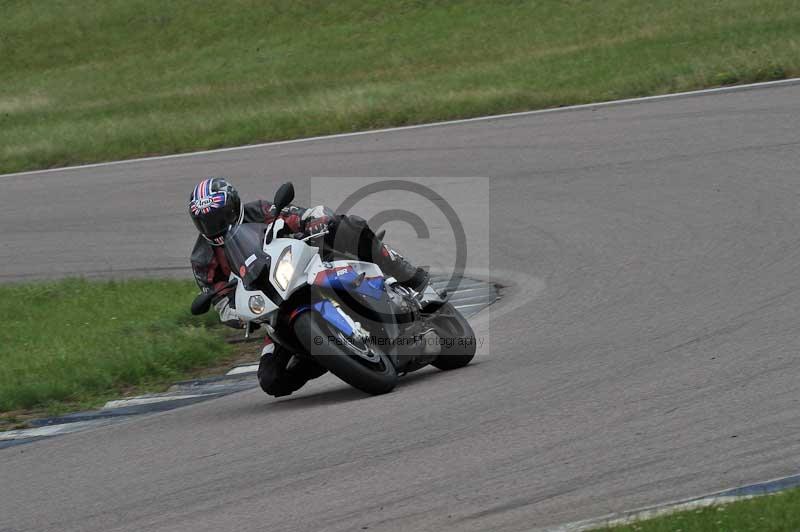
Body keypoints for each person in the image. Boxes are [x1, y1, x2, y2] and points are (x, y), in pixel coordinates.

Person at [188, 177, 430, 397]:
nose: (213, 225)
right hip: (272, 307)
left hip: (303, 264)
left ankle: (404, 272)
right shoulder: (202, 258)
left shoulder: (259, 210)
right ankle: (329, 355)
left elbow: (298, 215)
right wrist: (239, 313)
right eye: (205, 221)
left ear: (233, 207)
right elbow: (220, 301)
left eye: (218, 217)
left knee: (348, 226)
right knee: (272, 380)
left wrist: (314, 222)